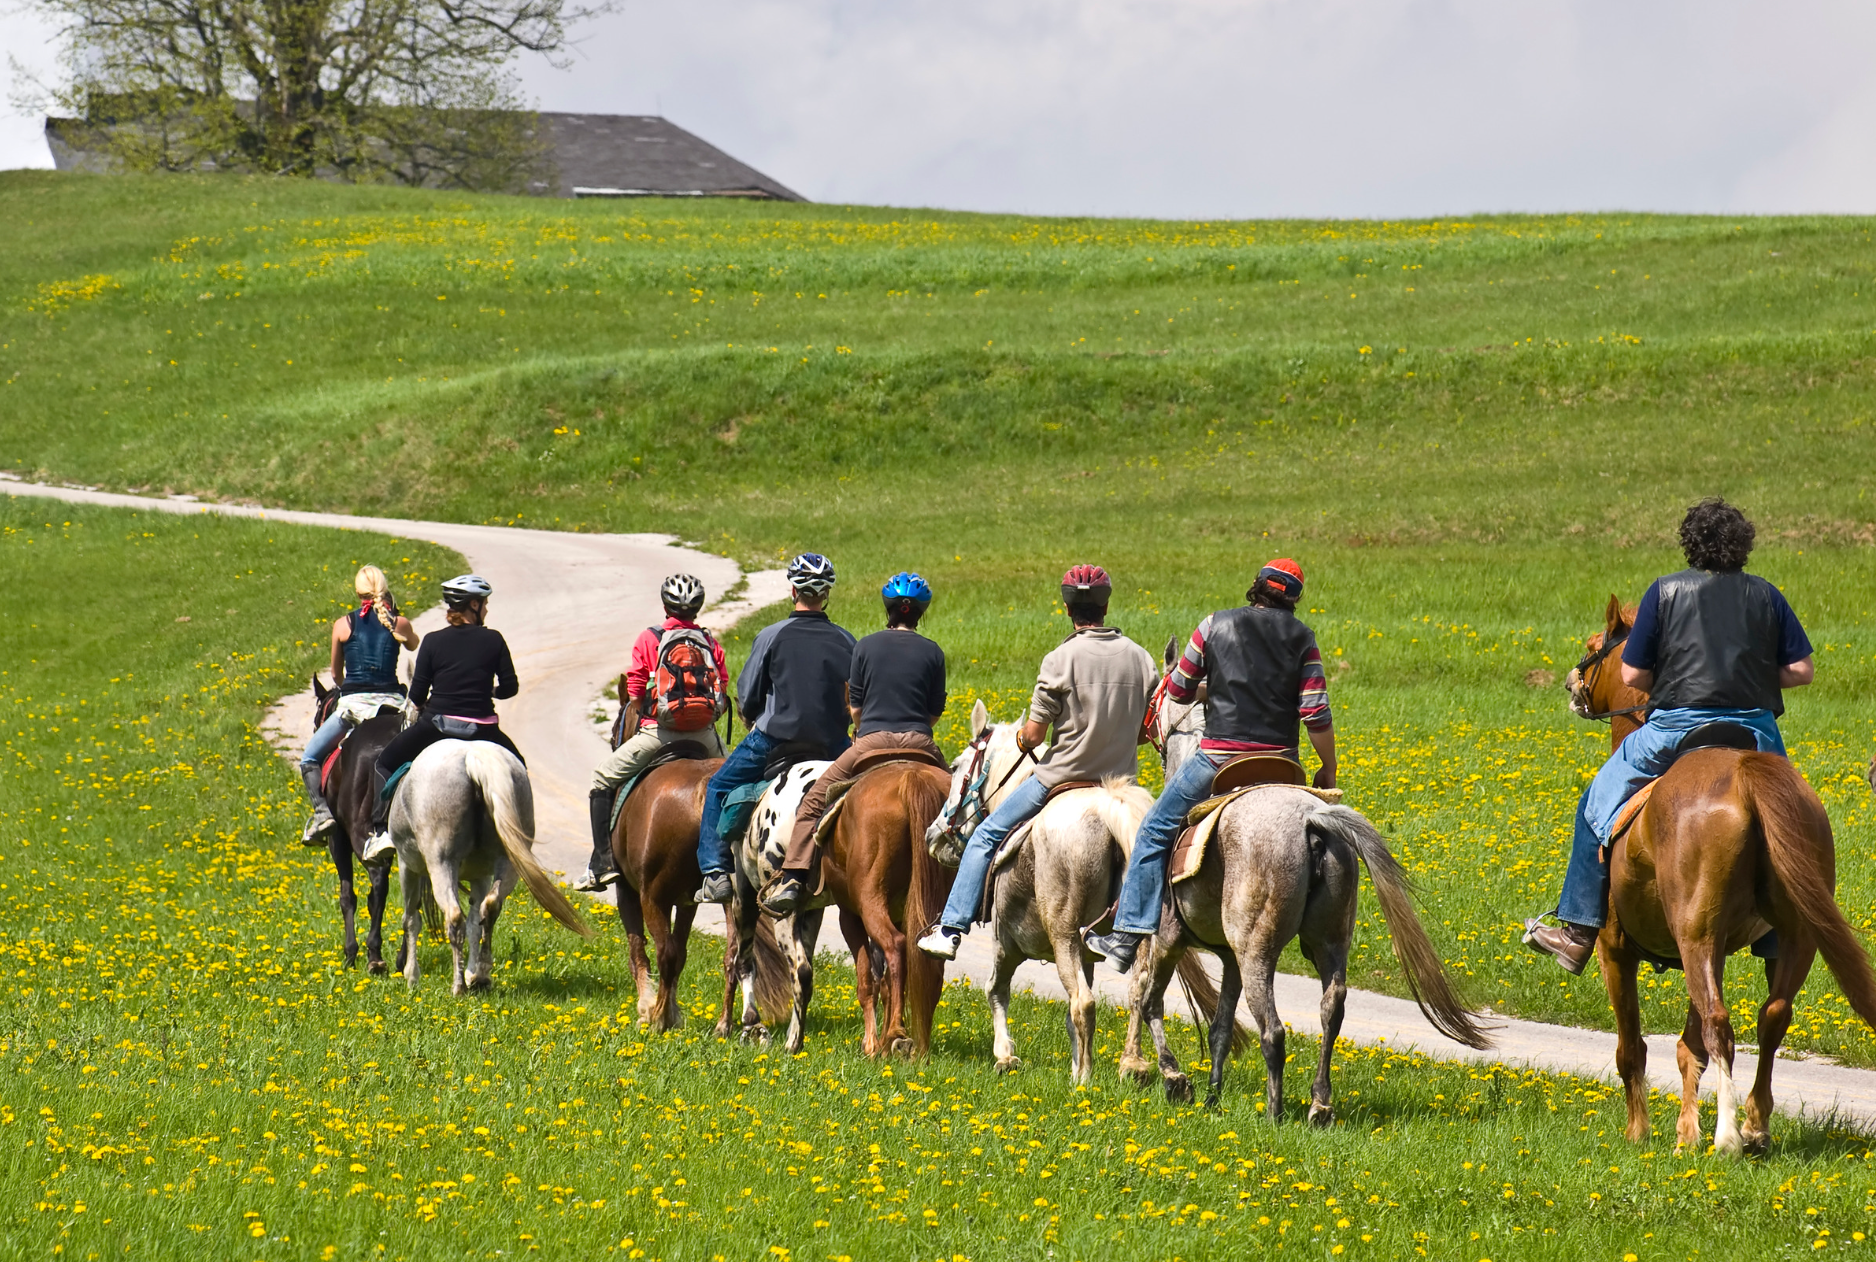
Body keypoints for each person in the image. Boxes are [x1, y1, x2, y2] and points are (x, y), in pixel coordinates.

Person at [1523, 498, 1815, 974]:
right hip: (1754, 734)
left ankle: (1576, 932)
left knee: (1595, 804)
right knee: (1792, 822)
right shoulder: (1767, 595)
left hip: (1675, 728)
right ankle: (1783, 931)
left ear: (1690, 544)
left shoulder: (1666, 592)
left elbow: (1634, 675)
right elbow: (1802, 671)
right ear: (1743, 546)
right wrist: (1754, 677)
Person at [1085, 558, 1337, 974]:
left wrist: (1217, 687)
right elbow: (1316, 714)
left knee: (1153, 829)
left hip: (1220, 757)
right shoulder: (1303, 638)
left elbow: (1180, 691)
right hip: (1281, 764)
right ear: (1293, 599)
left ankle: (1125, 938)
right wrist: (1327, 767)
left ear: (1256, 586)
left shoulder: (1212, 625)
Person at [917, 565, 1158, 960]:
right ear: (1106, 605)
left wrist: (1015, 739)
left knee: (985, 836)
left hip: (1060, 779)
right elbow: (1145, 730)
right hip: (1121, 787)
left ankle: (951, 928)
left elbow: (1033, 736)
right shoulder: (1140, 659)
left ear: (1067, 608)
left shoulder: (1059, 659)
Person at [763, 572, 948, 915]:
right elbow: (934, 712)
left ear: (888, 608)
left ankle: (791, 878)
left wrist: (864, 733)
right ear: (920, 612)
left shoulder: (865, 646)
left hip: (871, 741)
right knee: (959, 807)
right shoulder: (933, 652)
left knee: (815, 802)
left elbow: (857, 709)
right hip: (921, 743)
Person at [692, 553, 856, 905]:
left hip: (775, 738)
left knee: (719, 786)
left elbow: (749, 696)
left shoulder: (771, 635)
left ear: (793, 589)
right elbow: (856, 699)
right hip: (832, 743)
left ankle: (715, 872)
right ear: (826, 594)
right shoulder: (847, 640)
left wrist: (751, 716)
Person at [574, 573, 729, 892]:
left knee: (602, 778)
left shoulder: (649, 638)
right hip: (704, 735)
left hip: (658, 733)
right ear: (698, 607)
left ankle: (602, 863)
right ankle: (731, 862)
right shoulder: (710, 641)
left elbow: (634, 688)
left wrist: (642, 704)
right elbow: (722, 688)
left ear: (665, 606)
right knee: (738, 784)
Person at [363, 574, 522, 864]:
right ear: (473, 605)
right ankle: (520, 833)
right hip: (483, 730)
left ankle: (380, 831)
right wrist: (489, 689)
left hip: (438, 726)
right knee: (519, 767)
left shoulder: (433, 641)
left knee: (384, 762)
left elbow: (419, 694)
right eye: (484, 604)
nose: (486, 610)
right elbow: (511, 688)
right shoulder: (494, 639)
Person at [297, 565, 420, 846]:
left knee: (309, 757)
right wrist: (393, 615)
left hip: (353, 707)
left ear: (357, 593)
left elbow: (336, 675)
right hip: (391, 706)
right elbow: (414, 644)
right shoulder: (398, 623)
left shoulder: (342, 625)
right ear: (384, 590)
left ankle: (321, 814)